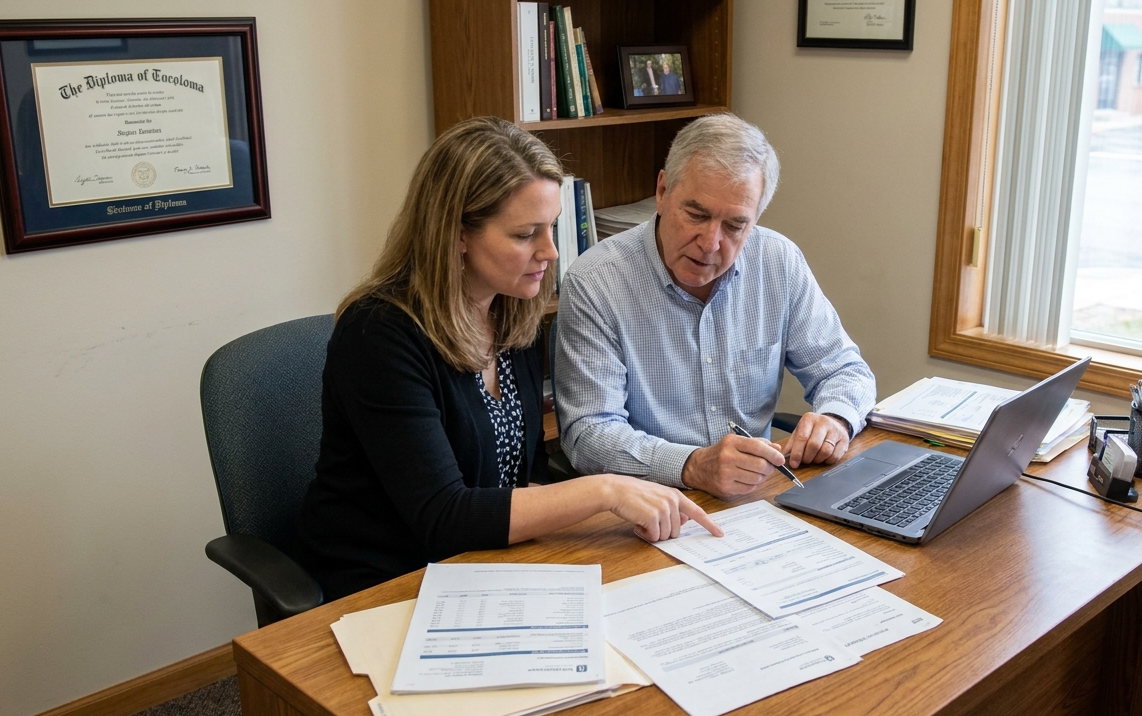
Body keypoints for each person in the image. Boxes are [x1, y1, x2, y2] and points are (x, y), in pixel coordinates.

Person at [296, 117, 720, 601]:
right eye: (525, 235)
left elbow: (527, 474)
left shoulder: (513, 316)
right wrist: (604, 491)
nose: (551, 252)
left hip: (486, 566)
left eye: (551, 228)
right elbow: (444, 516)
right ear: (457, 233)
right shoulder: (378, 336)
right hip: (385, 582)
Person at [555, 113, 876, 500]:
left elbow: (845, 370)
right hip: (647, 507)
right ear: (661, 191)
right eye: (697, 215)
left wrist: (835, 419)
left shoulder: (778, 262)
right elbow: (588, 434)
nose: (710, 243)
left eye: (735, 226)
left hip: (755, 497)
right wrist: (692, 465)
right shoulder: (597, 282)